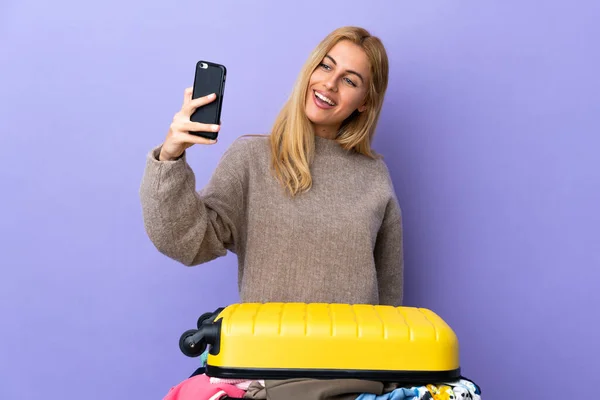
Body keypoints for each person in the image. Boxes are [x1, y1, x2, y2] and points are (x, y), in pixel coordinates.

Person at [140, 26, 404, 307]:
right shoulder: (251, 158)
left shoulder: (374, 176)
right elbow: (186, 242)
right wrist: (169, 157)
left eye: (350, 81)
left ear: (365, 102)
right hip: (269, 349)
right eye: (325, 66)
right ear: (310, 70)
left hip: (353, 350)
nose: (330, 83)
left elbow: (389, 297)